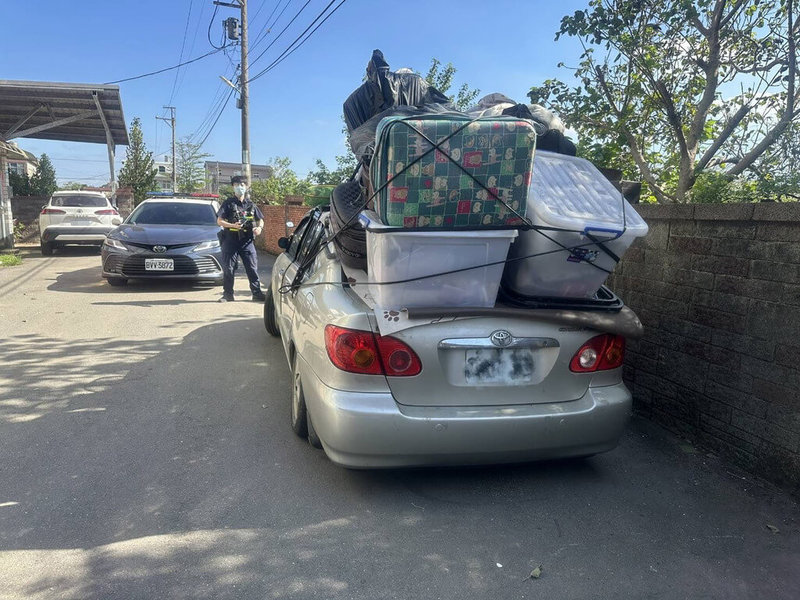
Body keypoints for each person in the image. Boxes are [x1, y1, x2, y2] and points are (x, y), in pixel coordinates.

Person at [216, 175, 266, 302]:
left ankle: (257, 293)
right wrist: (232, 225)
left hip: (247, 241)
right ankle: (228, 295)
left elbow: (260, 220)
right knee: (229, 268)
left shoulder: (251, 204)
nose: (239, 187)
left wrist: (259, 228)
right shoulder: (228, 203)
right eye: (236, 185)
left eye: (242, 185)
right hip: (230, 240)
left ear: (247, 187)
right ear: (233, 187)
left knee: (252, 267)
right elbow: (219, 221)